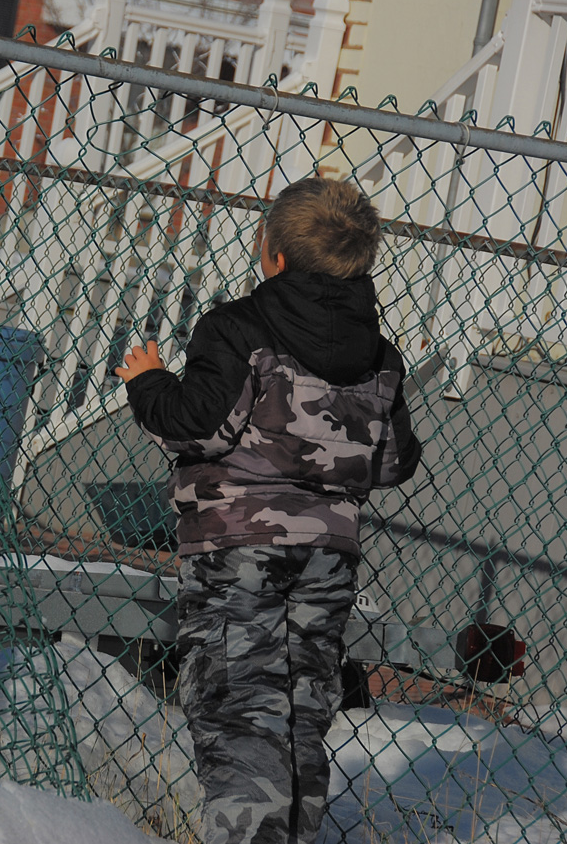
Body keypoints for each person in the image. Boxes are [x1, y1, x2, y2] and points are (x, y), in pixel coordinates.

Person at [114, 176, 422, 844]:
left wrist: (148, 382)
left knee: (239, 701)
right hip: (329, 556)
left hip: (237, 544)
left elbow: (199, 425)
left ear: (273, 254)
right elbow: (394, 460)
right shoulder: (380, 358)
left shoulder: (239, 328)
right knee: (303, 703)